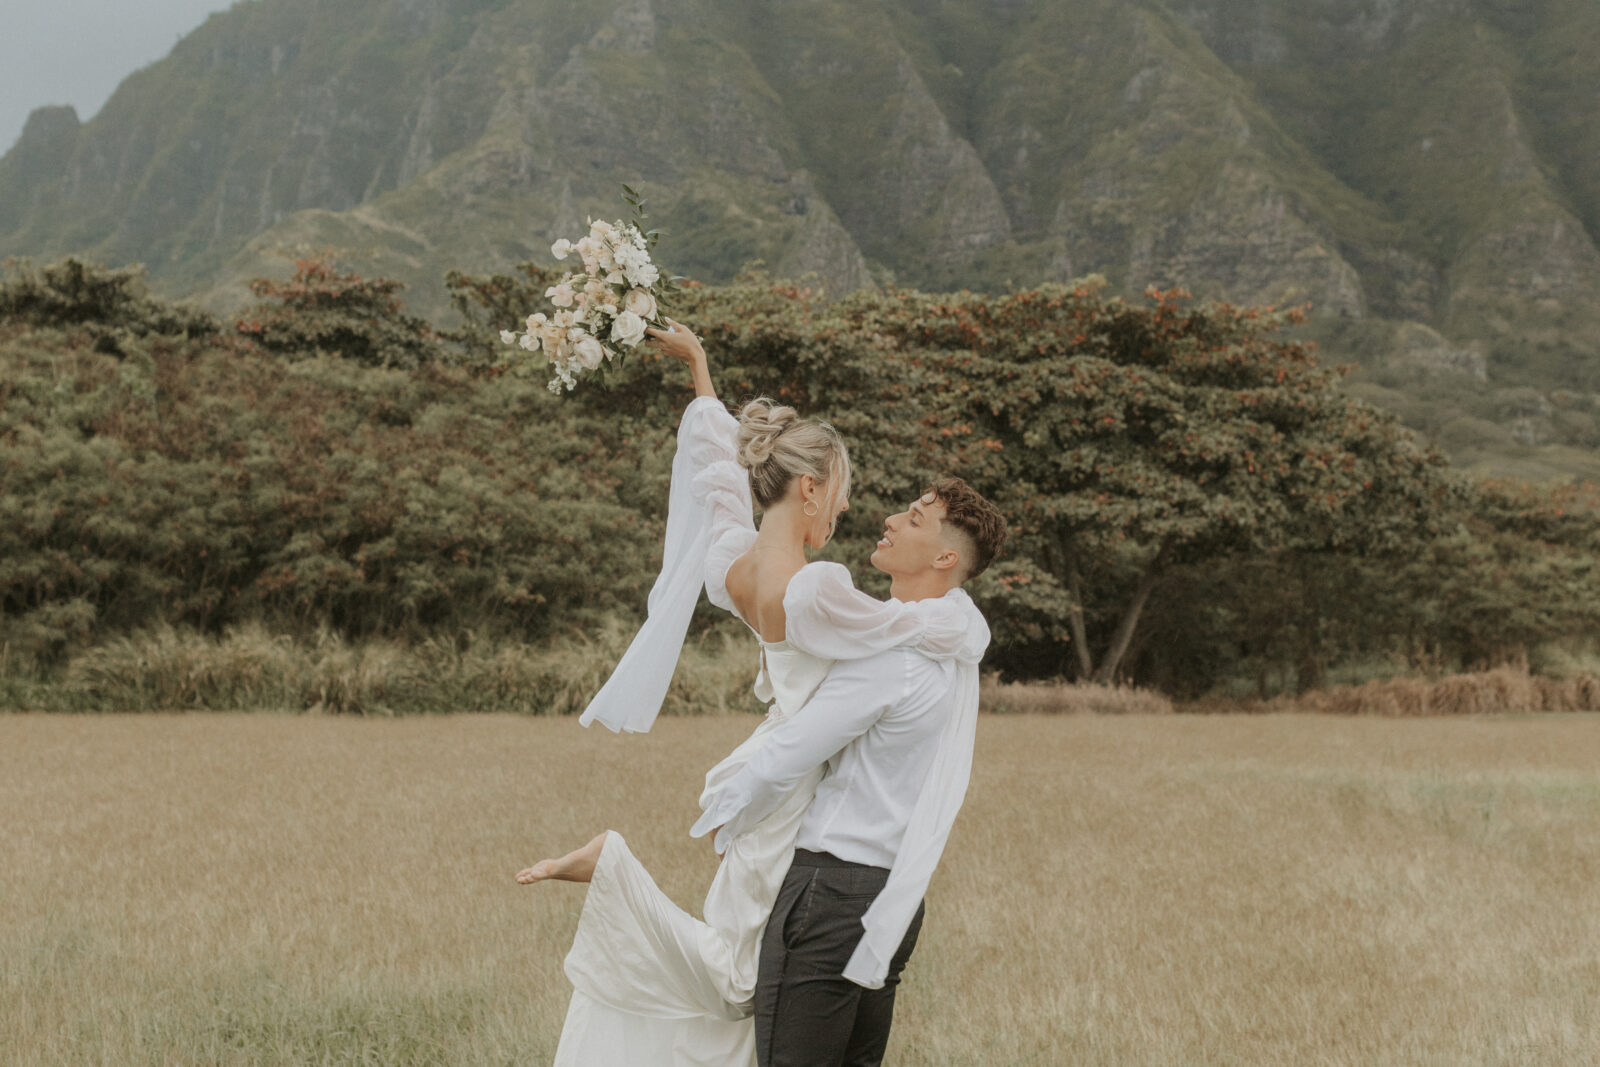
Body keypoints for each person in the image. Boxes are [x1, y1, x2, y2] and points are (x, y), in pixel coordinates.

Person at [516, 318, 1003, 1067]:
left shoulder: (736, 565)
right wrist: (962, 621)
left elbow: (720, 484)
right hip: (792, 786)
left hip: (769, 777)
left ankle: (617, 870)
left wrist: (701, 375)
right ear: (808, 488)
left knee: (742, 977)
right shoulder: (819, 589)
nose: (847, 511)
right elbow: (903, 630)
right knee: (741, 979)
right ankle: (616, 867)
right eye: (841, 492)